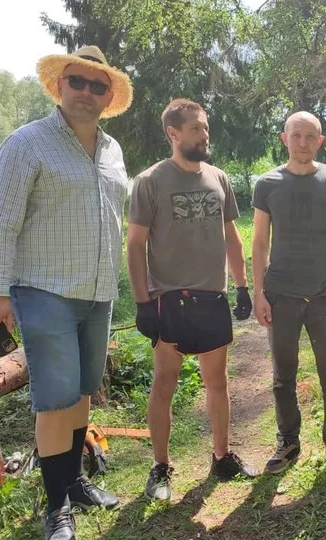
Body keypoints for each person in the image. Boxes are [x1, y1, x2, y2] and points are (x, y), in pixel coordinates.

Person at [0, 46, 132, 540]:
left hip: (98, 291)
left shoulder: (113, 151)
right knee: (55, 398)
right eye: (77, 81)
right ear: (59, 85)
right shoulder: (27, 144)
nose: (87, 91)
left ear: (109, 96)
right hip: (44, 290)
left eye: (97, 85)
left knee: (83, 391)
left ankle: (75, 481)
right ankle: (57, 508)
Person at [127, 98, 258, 501]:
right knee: (164, 384)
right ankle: (161, 466)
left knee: (217, 382)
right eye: (197, 128)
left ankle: (222, 456)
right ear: (174, 133)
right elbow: (135, 245)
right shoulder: (150, 181)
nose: (205, 135)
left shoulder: (218, 178)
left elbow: (232, 237)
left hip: (211, 297)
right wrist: (143, 302)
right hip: (170, 300)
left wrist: (241, 285)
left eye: (205, 127)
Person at [250, 111, 326, 476]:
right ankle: (288, 441)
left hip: (324, 297)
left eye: (309, 136)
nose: (302, 143)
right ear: (284, 139)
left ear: (320, 141)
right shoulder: (267, 184)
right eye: (296, 135)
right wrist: (259, 292)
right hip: (280, 296)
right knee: (283, 374)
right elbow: (259, 241)